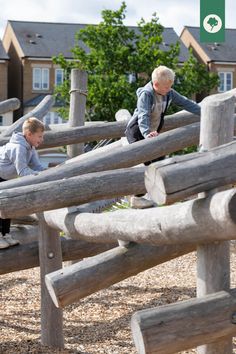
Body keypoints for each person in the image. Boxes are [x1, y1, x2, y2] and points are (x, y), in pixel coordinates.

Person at [125, 65, 201, 208]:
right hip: (138, 131)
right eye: (166, 87)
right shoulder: (146, 95)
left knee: (160, 161)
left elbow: (186, 103)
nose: (169, 90)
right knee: (147, 164)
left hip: (152, 133)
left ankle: (161, 195)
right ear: (156, 84)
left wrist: (205, 111)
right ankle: (136, 198)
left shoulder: (169, 93)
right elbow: (143, 116)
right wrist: (147, 133)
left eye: (170, 86)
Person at [0, 117, 45, 249]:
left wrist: (50, 172)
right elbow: (23, 171)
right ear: (29, 134)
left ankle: (5, 234)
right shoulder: (18, 148)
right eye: (40, 136)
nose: (42, 140)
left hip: (5, 178)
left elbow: (38, 167)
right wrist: (39, 175)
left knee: (7, 207)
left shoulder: (30, 148)